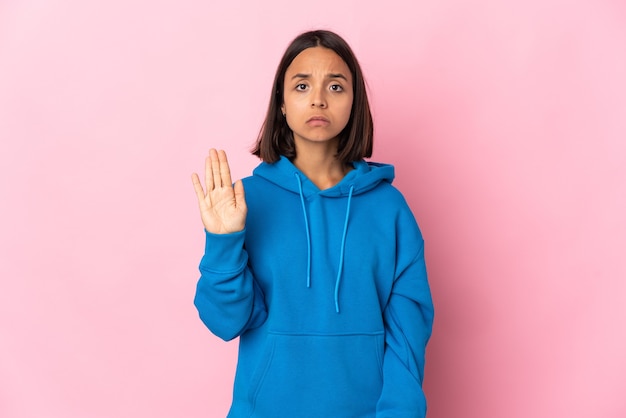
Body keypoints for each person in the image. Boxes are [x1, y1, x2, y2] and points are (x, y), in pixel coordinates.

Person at [191, 29, 434, 418]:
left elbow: (408, 334)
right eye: (302, 85)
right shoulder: (245, 202)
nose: (318, 98)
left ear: (354, 103)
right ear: (282, 104)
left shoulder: (390, 209)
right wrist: (223, 240)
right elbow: (225, 321)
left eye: (336, 86)